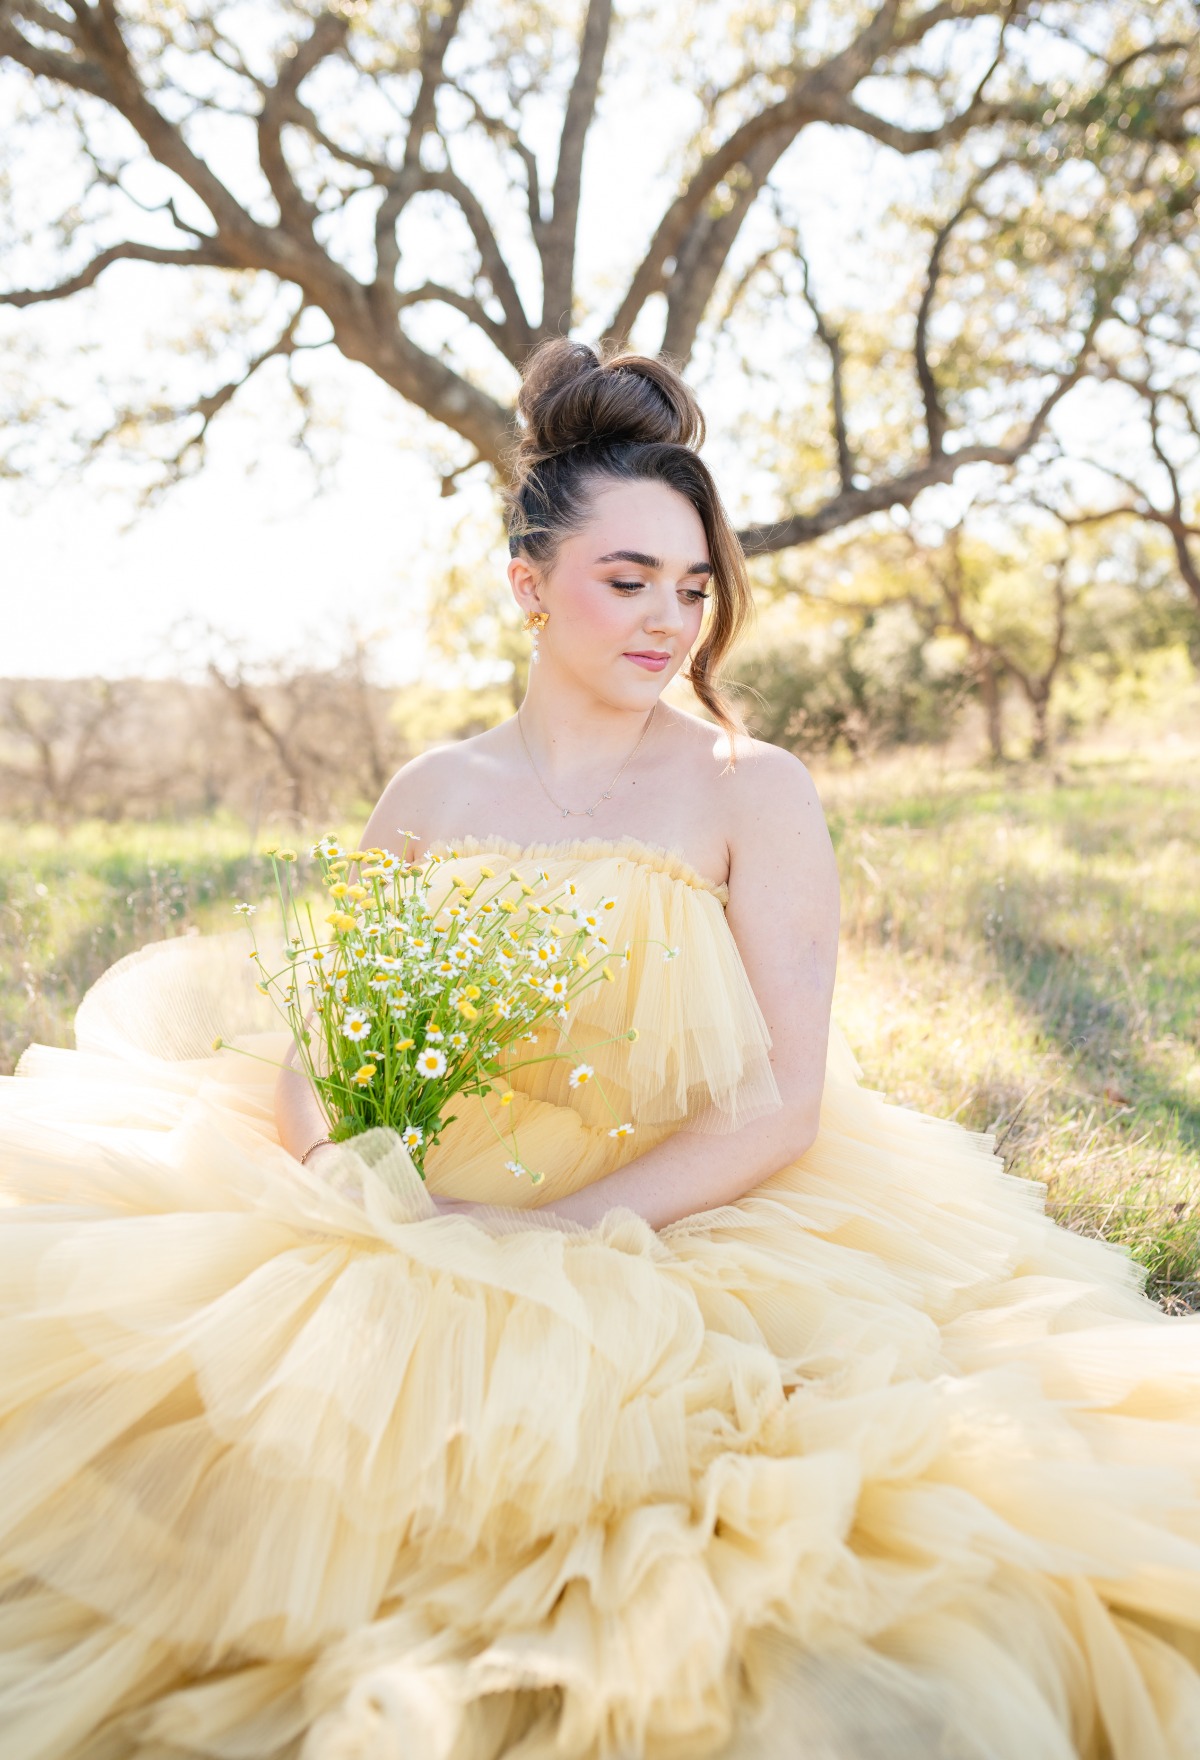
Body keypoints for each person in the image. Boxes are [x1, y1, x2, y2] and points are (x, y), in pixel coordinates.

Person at [1, 340, 1198, 1760]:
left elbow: (785, 1103)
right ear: (528, 584)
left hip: (677, 1215)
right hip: (415, 1205)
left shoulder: (753, 792)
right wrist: (360, 1198)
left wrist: (561, 1235)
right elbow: (319, 1057)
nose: (667, 620)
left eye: (693, 587)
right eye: (627, 580)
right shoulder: (433, 789)